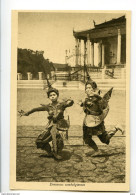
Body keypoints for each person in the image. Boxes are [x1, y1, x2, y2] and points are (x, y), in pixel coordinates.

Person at [19, 82, 74, 160]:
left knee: (58, 140)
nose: (52, 96)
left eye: (54, 95)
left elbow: (70, 103)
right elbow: (36, 109)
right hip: (51, 125)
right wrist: (27, 113)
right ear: (48, 97)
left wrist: (69, 101)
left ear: (57, 96)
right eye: (50, 95)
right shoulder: (48, 107)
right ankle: (50, 153)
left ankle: (56, 153)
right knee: (40, 140)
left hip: (61, 126)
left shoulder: (62, 104)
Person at [80, 80, 123, 157]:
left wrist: (97, 96)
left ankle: (116, 127)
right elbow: (86, 106)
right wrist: (82, 104)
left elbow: (103, 103)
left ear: (94, 89)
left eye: (90, 88)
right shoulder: (87, 99)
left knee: (105, 139)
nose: (88, 90)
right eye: (86, 88)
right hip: (87, 121)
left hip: (97, 121)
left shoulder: (98, 99)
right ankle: (96, 150)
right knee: (86, 138)